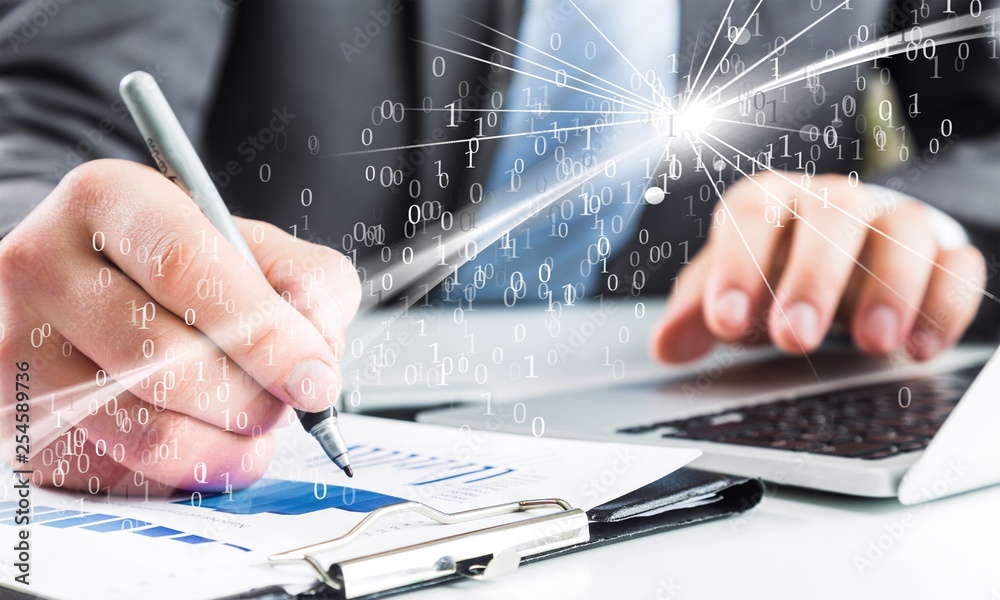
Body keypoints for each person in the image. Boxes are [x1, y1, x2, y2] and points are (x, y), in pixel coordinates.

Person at [1, 0, 997, 494]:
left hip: (712, 420)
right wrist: (52, 275)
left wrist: (913, 225)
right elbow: (41, 121)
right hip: (266, 429)